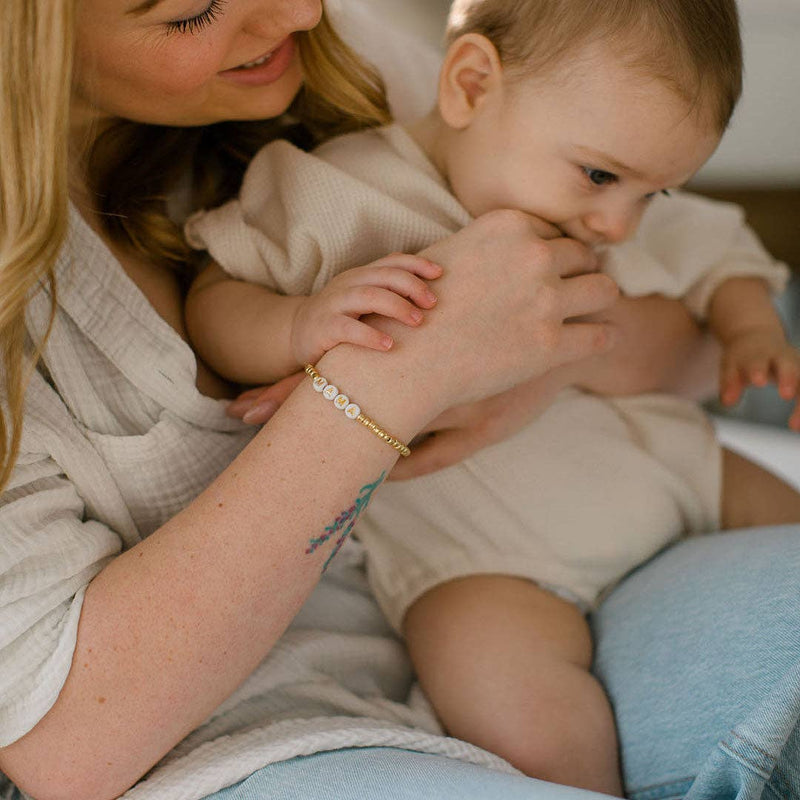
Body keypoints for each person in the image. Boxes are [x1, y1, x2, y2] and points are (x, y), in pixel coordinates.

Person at [0, 2, 797, 800]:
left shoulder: (373, 69)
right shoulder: (335, 194)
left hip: (635, 494)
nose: (303, 10)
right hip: (317, 697)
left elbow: (697, 345)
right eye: (194, 11)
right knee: (542, 724)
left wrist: (542, 357)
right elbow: (62, 749)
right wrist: (375, 368)